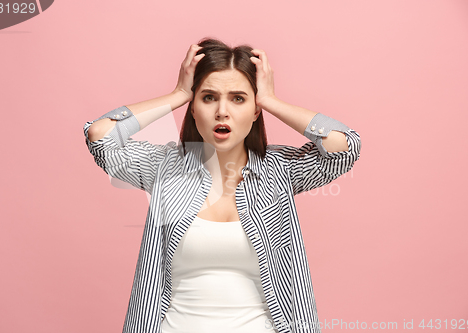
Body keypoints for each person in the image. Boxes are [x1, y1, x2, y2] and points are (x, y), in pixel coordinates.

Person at [83, 38, 361, 333]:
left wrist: (270, 101)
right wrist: (178, 94)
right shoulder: (164, 168)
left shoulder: (280, 170)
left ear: (255, 111)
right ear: (193, 108)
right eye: (208, 97)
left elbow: (343, 146)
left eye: (238, 98)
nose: (222, 111)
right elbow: (101, 136)